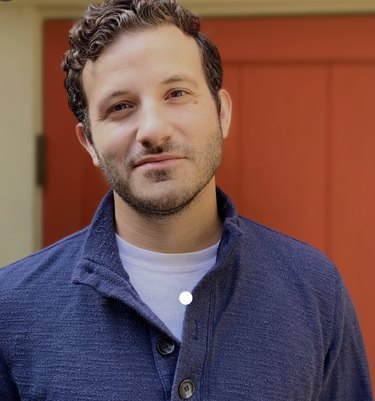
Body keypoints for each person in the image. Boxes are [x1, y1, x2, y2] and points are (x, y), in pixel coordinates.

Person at [0, 0, 373, 399]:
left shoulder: (315, 292)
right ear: (89, 142)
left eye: (177, 93)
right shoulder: (12, 308)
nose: (154, 130)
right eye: (120, 107)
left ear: (221, 113)